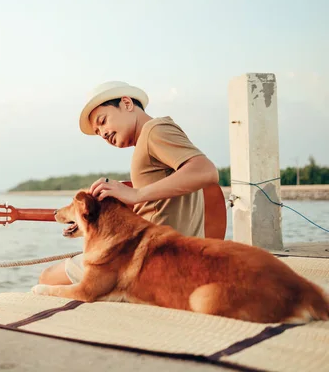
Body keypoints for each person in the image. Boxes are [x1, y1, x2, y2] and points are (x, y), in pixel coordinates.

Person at [39, 81, 219, 285]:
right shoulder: (152, 137)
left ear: (126, 103)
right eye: (98, 132)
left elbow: (206, 170)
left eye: (103, 120)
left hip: (150, 263)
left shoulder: (154, 130)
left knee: (48, 278)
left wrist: (136, 194)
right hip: (171, 258)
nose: (103, 133)